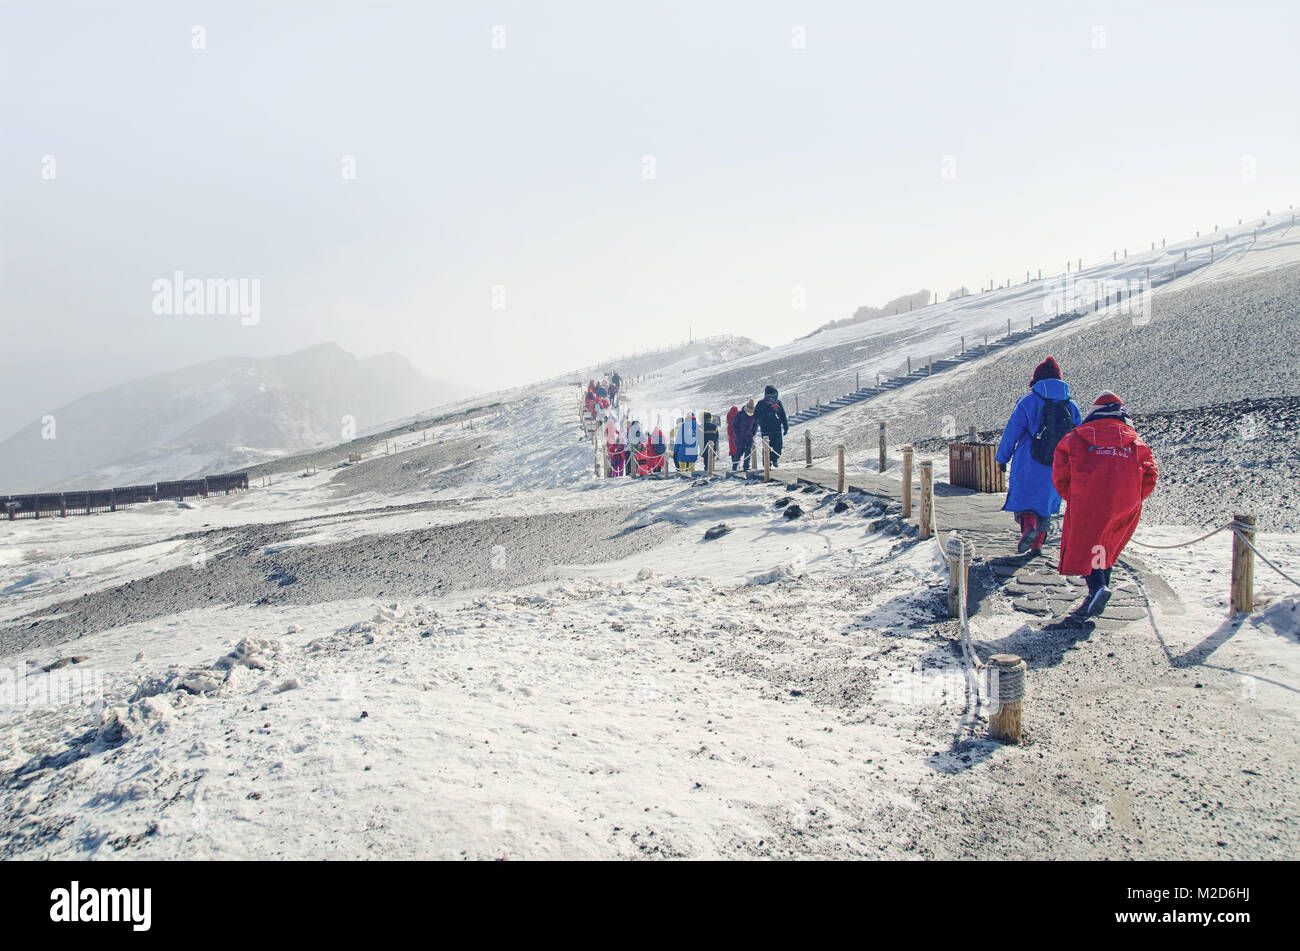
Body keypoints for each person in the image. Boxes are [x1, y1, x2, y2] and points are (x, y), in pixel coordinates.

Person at [1052, 392, 1159, 617]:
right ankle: (1098, 593)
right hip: (1124, 502)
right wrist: (1135, 499)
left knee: (1087, 544)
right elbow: (1150, 473)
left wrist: (1072, 496)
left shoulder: (1074, 438)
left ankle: (1097, 589)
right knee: (1105, 544)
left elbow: (1060, 473)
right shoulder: (1137, 442)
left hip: (1087, 499)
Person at [994, 356, 1082, 555]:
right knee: (1045, 505)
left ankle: (1028, 527)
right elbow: (1079, 436)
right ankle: (1037, 546)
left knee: (1024, 503)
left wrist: (1002, 458)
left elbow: (1012, 432)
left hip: (1028, 460)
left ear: (1037, 379)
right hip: (1057, 462)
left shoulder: (1029, 401)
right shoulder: (1071, 405)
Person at [753, 385, 789, 466]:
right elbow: (756, 417)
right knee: (767, 449)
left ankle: (774, 459)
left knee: (778, 449)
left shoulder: (778, 403)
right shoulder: (760, 404)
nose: (772, 398)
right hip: (766, 431)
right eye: (770, 396)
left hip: (777, 430)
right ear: (766, 396)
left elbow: (783, 415)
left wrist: (786, 427)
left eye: (774, 396)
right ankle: (766, 463)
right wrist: (768, 414)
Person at [732, 399, 758, 470]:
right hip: (740, 437)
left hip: (749, 437)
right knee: (739, 452)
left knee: (748, 453)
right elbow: (734, 424)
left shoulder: (754, 415)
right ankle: (734, 466)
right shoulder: (740, 414)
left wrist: (753, 433)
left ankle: (746, 467)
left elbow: (755, 425)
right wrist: (737, 433)